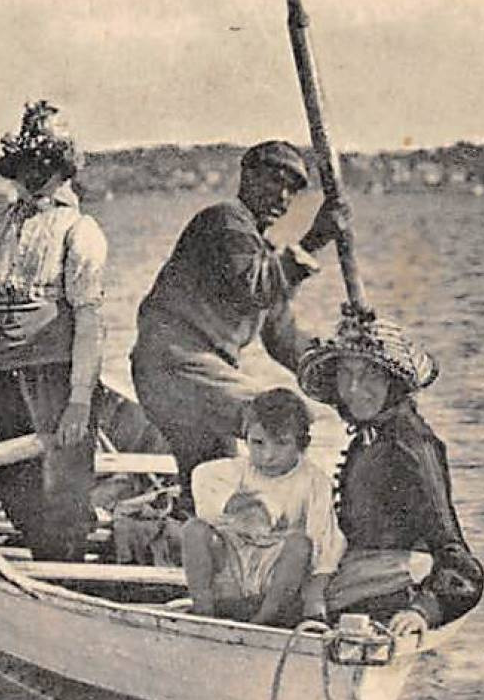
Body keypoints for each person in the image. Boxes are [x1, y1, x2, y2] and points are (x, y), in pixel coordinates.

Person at [131, 140, 345, 513]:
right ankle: (304, 514)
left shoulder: (262, 253)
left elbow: (283, 339)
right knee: (281, 415)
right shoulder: (224, 221)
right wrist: (314, 240)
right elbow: (256, 287)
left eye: (292, 190)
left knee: (213, 486)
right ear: (247, 176)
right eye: (273, 180)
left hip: (195, 378)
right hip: (173, 364)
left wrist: (340, 374)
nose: (282, 195)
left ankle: (184, 543)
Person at [0, 101, 107, 561]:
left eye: (47, 165)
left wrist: (80, 399)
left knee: (64, 488)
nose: (35, 176)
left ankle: (67, 566)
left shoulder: (80, 230)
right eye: (27, 166)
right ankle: (42, 556)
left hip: (56, 375)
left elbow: (90, 321)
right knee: (12, 481)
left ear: (64, 170)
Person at [296, 315, 484, 640]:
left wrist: (421, 611)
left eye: (370, 375)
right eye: (346, 374)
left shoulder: (410, 445)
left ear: (392, 382)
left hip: (391, 588)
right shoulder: (369, 438)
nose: (354, 389)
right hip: (354, 579)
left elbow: (461, 564)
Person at [182, 388, 344, 626]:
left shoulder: (314, 481)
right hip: (234, 565)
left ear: (303, 444)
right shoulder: (234, 472)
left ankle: (263, 619)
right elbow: (204, 492)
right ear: (245, 439)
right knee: (194, 529)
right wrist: (233, 508)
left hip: (274, 571)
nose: (268, 455)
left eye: (281, 444)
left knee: (300, 545)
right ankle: (203, 612)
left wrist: (315, 596)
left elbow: (325, 541)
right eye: (257, 443)